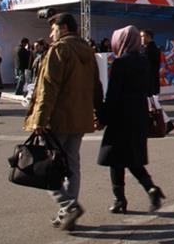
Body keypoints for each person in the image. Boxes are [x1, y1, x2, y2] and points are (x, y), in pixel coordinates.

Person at [24, 13, 103, 231]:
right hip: (80, 119)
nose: (51, 34)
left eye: (54, 29)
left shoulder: (59, 50)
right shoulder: (88, 51)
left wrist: (40, 119)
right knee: (72, 166)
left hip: (58, 119)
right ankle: (66, 214)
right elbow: (97, 86)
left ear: (64, 28)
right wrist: (99, 114)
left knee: (47, 168)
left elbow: (48, 88)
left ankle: (69, 206)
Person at [96, 26, 165, 214]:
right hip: (139, 115)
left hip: (121, 117)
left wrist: (103, 117)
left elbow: (113, 94)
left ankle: (120, 199)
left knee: (115, 158)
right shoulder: (144, 61)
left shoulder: (120, 63)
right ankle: (150, 189)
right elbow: (150, 87)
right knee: (130, 157)